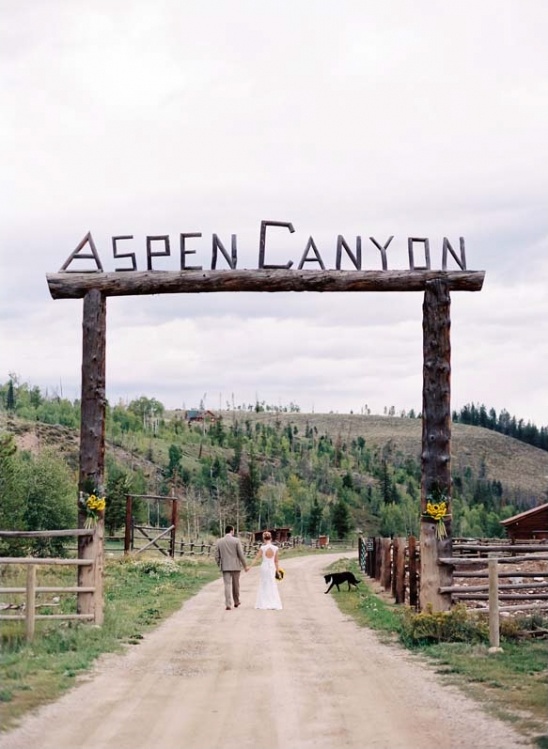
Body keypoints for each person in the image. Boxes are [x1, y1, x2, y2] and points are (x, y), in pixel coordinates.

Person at [214, 525, 249, 610]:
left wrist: (219, 563)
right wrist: (245, 565)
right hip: (236, 566)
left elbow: (216, 555)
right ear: (231, 531)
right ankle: (236, 601)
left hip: (225, 566)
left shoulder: (219, 541)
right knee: (236, 585)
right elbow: (241, 554)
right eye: (233, 531)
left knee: (227, 585)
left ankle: (228, 604)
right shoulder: (236, 540)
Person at [252, 531, 283, 610]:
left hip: (264, 566)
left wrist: (250, 566)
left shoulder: (262, 548)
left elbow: (256, 558)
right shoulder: (275, 548)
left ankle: (263, 603)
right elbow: (276, 561)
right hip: (271, 566)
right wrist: (278, 571)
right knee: (272, 583)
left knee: (264, 583)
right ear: (271, 538)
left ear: (263, 538)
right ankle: (273, 602)